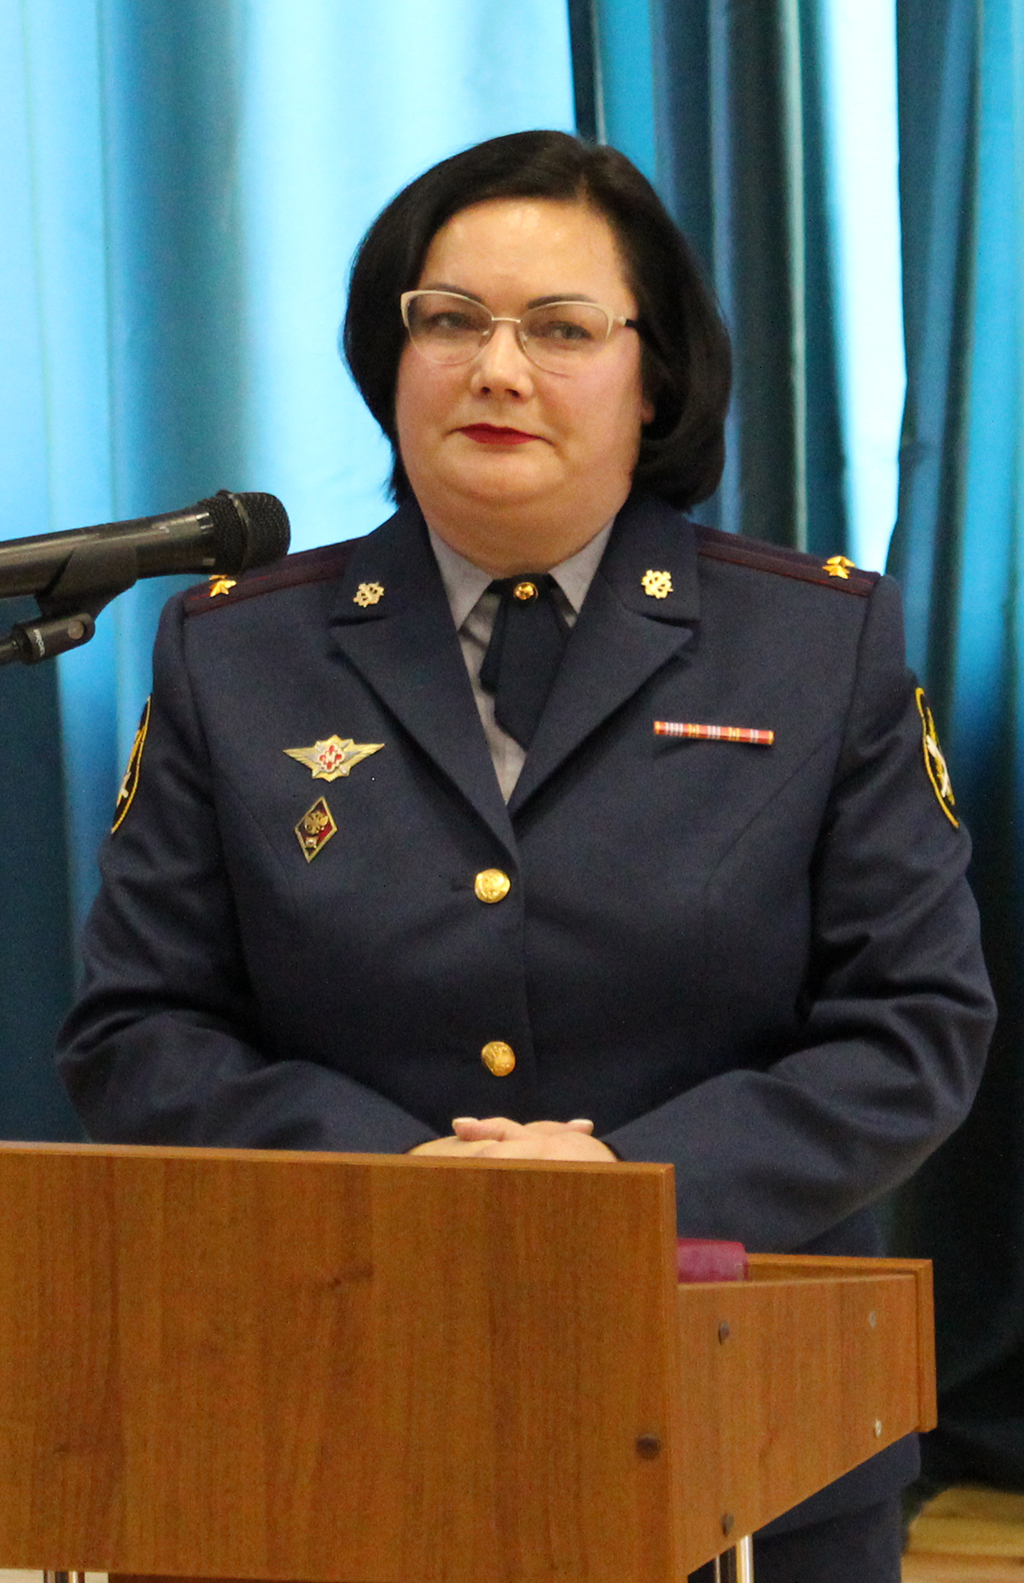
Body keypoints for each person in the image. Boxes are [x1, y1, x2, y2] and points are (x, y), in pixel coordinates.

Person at [56, 131, 994, 1581]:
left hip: (739, 1420)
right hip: (314, 1401)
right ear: (393, 356)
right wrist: (405, 1182)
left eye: (560, 329)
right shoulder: (232, 652)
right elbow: (137, 1031)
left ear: (653, 376)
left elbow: (915, 1027)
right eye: (451, 321)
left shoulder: (817, 644)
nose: (497, 370)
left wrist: (626, 1180)